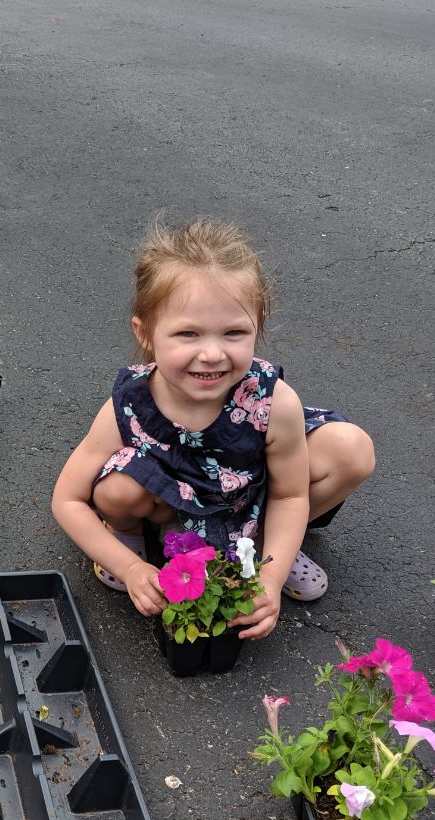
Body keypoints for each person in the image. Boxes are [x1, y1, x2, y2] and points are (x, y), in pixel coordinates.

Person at [52, 219, 374, 639]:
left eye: (234, 333)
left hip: (249, 494)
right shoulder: (130, 403)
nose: (211, 353)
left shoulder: (274, 403)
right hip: (171, 499)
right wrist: (128, 567)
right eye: (187, 333)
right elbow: (68, 499)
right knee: (116, 491)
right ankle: (133, 538)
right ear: (145, 334)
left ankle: (264, 548)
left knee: (353, 449)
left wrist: (271, 577)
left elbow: (290, 492)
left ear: (257, 328)